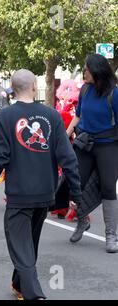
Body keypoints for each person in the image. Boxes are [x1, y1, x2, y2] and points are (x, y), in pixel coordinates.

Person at [0, 69, 81, 300]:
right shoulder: (52, 115)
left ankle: (34, 294)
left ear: (12, 90)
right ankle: (19, 285)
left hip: (19, 194)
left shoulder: (3, 118)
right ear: (34, 86)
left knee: (21, 245)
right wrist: (76, 191)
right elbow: (68, 157)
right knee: (28, 244)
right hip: (45, 193)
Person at [66, 54, 118, 252]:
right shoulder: (85, 90)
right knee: (74, 183)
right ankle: (82, 221)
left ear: (97, 71)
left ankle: (111, 236)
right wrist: (66, 135)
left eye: (86, 69)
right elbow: (78, 115)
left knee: (108, 188)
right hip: (85, 143)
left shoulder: (114, 93)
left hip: (108, 145)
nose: (83, 72)